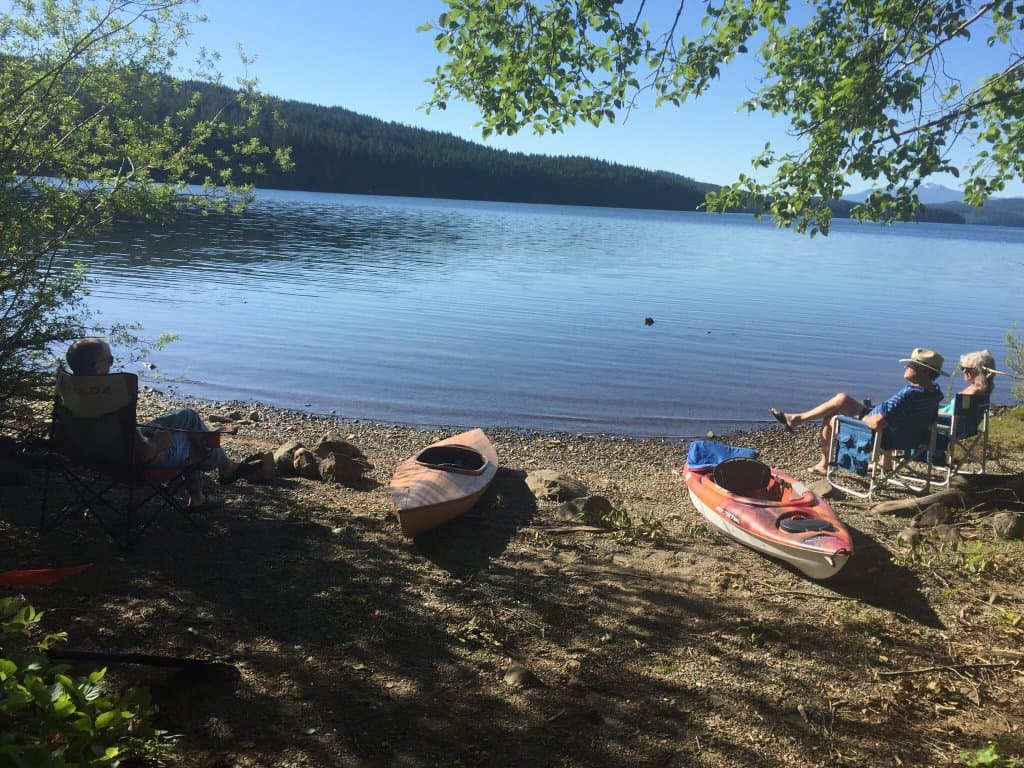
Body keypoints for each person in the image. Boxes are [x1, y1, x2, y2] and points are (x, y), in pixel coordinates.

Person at [65, 337, 256, 510]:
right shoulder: (113, 402)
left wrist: (145, 431)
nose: (111, 365)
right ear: (98, 368)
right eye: (110, 360)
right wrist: (159, 442)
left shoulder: (71, 396)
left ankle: (206, 487)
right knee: (193, 437)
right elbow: (146, 453)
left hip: (94, 457)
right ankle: (216, 476)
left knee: (188, 417)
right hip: (133, 463)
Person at [769, 347, 948, 475]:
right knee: (841, 399)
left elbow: (877, 423)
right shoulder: (933, 393)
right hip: (910, 437)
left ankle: (823, 464)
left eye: (911, 365)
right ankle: (796, 419)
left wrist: (862, 418)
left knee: (831, 418)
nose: (905, 366)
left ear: (924, 372)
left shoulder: (910, 395)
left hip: (882, 435)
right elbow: (904, 417)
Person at [939, 349, 996, 415]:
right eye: (962, 368)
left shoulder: (974, 392)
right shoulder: (981, 389)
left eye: (968, 369)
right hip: (948, 415)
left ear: (980, 372)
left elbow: (960, 416)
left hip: (947, 420)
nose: (964, 371)